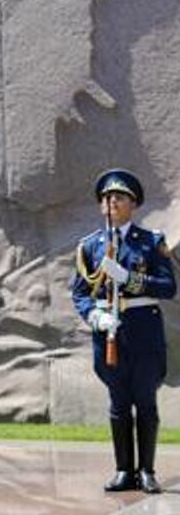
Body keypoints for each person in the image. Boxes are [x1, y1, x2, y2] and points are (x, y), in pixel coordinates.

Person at [71, 168, 176, 493]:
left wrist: (128, 279)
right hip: (109, 336)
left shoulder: (151, 242)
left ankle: (146, 471)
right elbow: (80, 293)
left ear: (133, 204)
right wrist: (95, 317)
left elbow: (168, 287)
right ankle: (123, 471)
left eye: (118, 197)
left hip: (144, 334)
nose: (111, 201)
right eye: (106, 198)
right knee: (118, 403)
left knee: (145, 401)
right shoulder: (90, 247)